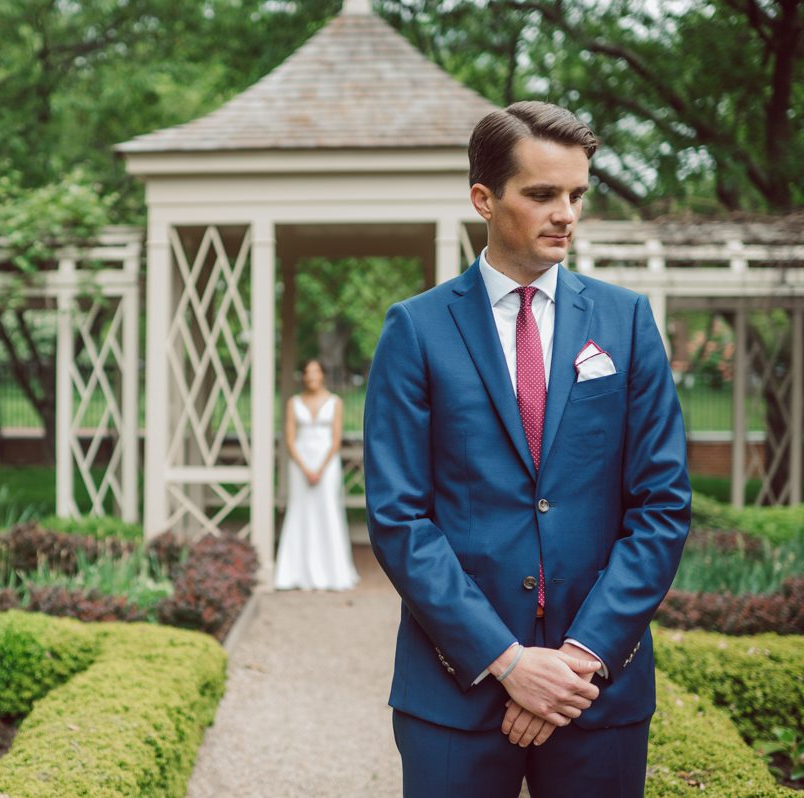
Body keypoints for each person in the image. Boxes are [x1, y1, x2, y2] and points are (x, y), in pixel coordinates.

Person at [364, 101, 690, 796]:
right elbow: (399, 518)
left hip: (595, 692)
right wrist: (508, 662)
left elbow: (662, 504)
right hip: (455, 693)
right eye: (542, 194)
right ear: (484, 199)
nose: (565, 213)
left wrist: (580, 657)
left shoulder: (627, 323)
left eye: (576, 194)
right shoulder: (415, 331)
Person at [273, 358, 360, 591]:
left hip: (327, 462)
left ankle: (333, 572)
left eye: (315, 372)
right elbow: (289, 438)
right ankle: (295, 571)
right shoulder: (294, 402)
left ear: (322, 375)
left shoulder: (335, 402)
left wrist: (320, 468)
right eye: (307, 372)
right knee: (300, 510)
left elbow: (336, 438)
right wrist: (304, 467)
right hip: (301, 462)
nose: (311, 376)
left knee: (327, 510)